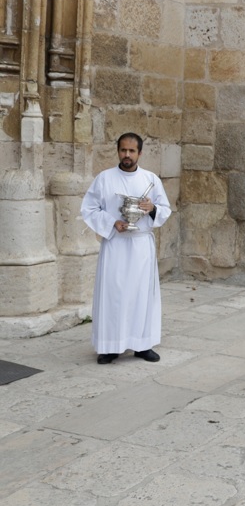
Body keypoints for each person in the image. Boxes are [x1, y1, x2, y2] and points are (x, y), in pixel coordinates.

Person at [81, 133, 171, 364]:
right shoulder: (105, 178)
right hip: (116, 245)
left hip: (141, 245)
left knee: (141, 295)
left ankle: (142, 345)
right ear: (118, 151)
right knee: (114, 296)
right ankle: (110, 346)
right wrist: (112, 222)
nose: (127, 155)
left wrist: (152, 208)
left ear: (140, 153)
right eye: (123, 150)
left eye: (132, 151)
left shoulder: (151, 179)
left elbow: (165, 209)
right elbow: (89, 208)